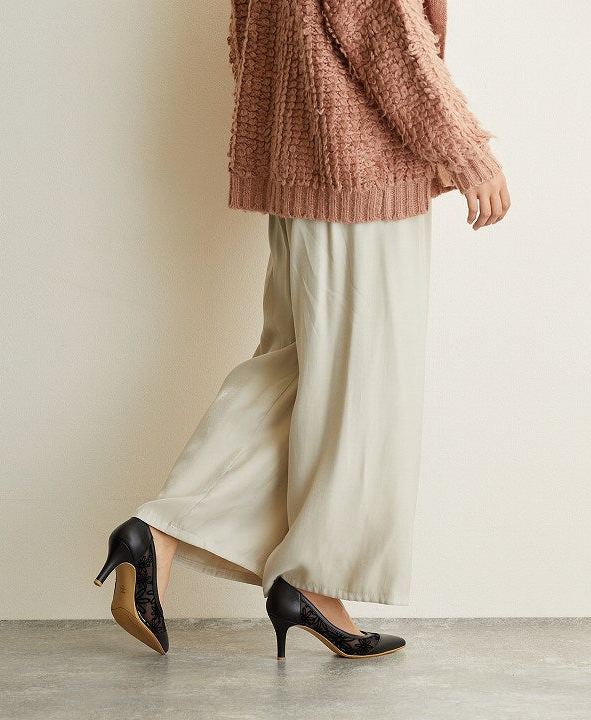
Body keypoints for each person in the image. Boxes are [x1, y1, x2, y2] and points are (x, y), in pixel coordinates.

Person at [93, 0, 510, 659]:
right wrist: (467, 152)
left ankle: (165, 538)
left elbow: (250, 44)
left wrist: (287, 151)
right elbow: (390, 44)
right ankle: (288, 572)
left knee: (300, 369)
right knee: (359, 387)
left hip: (305, 172)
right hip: (359, 177)